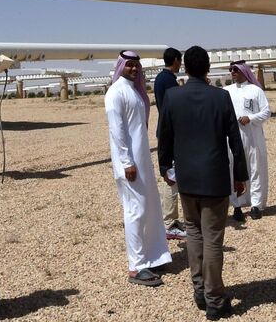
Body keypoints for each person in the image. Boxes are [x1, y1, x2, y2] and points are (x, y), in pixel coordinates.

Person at [158, 46, 248, 320]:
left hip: (187, 179)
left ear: (185, 68)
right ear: (208, 67)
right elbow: (235, 139)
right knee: (213, 239)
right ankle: (215, 299)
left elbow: (164, 135)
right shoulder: (220, 97)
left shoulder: (173, 96)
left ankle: (199, 290)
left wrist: (165, 167)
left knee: (194, 234)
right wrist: (240, 175)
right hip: (214, 180)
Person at [105, 50, 172, 286]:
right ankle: (136, 266)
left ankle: (153, 256)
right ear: (121, 66)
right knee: (136, 211)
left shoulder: (134, 90)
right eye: (130, 64)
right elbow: (117, 130)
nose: (134, 68)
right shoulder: (116, 92)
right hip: (130, 164)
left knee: (149, 208)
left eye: (137, 65)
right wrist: (127, 162)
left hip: (141, 161)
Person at [226, 60, 270, 222]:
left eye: (236, 69)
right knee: (233, 170)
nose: (232, 72)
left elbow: (266, 112)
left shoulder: (256, 90)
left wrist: (250, 118)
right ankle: (236, 205)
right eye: (231, 70)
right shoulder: (226, 91)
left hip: (252, 136)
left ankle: (256, 205)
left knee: (254, 168)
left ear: (244, 71)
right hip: (231, 138)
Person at [153, 47, 186, 240]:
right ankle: (169, 223)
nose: (180, 64)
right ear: (175, 60)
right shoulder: (167, 80)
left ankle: (171, 219)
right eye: (179, 60)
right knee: (170, 177)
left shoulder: (162, 78)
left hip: (167, 130)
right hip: (170, 132)